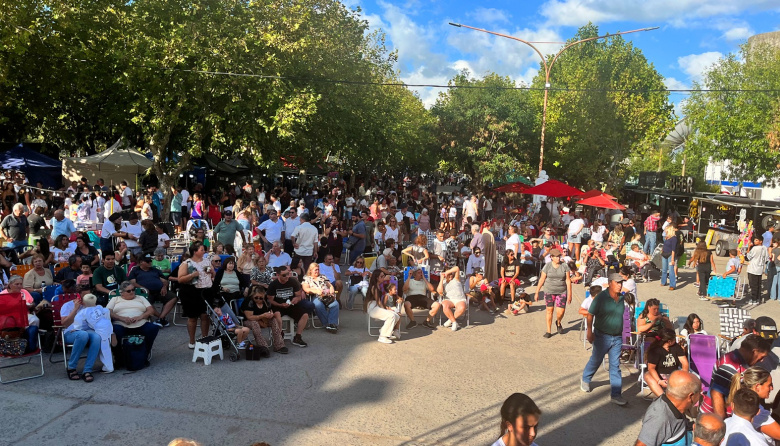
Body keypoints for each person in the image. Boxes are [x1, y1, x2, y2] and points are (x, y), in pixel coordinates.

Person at [581, 273, 629, 406]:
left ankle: (616, 394)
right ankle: (586, 378)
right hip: (602, 336)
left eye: (621, 283)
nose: (620, 285)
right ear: (610, 283)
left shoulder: (621, 298)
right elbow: (590, 314)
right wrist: (589, 332)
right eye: (617, 283)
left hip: (617, 337)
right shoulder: (601, 297)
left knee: (615, 366)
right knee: (596, 360)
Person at [700, 334, 772, 418]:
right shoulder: (730, 364)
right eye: (762, 357)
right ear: (754, 351)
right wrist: (722, 422)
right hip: (712, 418)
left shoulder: (738, 361)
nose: (762, 360)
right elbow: (716, 393)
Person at [635, 370, 701, 446]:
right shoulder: (659, 418)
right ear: (690, 396)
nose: (701, 395)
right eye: (700, 392)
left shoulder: (675, 405)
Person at [107, 281, 159, 369]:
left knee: (152, 328)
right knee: (114, 332)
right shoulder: (115, 299)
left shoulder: (141, 298)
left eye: (133, 290)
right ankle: (119, 359)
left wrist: (140, 317)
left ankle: (143, 356)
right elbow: (108, 312)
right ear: (122, 293)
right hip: (121, 324)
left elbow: (151, 310)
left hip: (140, 323)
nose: (132, 292)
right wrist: (121, 318)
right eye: (128, 291)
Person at [726, 366, 780, 443]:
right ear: (757, 387)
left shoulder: (739, 402)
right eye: (769, 385)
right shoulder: (756, 412)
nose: (772, 388)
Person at [177, 242, 215, 349]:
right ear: (195, 251)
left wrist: (211, 272)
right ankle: (192, 340)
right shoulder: (187, 263)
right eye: (202, 250)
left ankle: (204, 337)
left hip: (206, 290)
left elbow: (213, 274)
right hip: (192, 291)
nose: (204, 252)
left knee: (205, 316)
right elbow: (180, 279)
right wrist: (193, 275)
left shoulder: (207, 261)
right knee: (192, 317)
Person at [60, 294, 102, 382]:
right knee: (82, 334)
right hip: (70, 332)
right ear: (78, 297)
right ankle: (71, 367)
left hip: (87, 330)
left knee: (97, 337)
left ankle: (87, 370)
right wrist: (75, 309)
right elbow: (65, 324)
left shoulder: (91, 305)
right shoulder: (67, 305)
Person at [266, 265, 311, 347]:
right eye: (284, 275)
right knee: (277, 314)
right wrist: (280, 304)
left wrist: (295, 299)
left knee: (305, 315)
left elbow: (298, 296)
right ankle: (279, 336)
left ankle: (298, 337)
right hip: (278, 305)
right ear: (278, 275)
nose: (287, 276)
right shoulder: (273, 285)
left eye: (288, 274)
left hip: (291, 305)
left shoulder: (293, 281)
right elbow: (270, 300)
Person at [73, 293, 115, 374]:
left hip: (100, 329)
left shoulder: (84, 311)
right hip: (108, 325)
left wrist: (76, 329)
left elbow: (78, 320)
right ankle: (108, 365)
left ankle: (108, 367)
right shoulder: (99, 307)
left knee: (103, 348)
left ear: (84, 303)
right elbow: (106, 311)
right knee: (106, 346)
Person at [534, 248, 571, 338]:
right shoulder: (547, 266)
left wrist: (569, 294)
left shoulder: (565, 266)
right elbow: (542, 279)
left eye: (559, 256)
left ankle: (558, 322)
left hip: (562, 291)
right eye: (556, 257)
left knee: (560, 312)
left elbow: (568, 280)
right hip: (549, 291)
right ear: (551, 257)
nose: (558, 258)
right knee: (549, 311)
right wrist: (537, 292)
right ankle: (548, 331)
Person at [240, 285, 287, 355]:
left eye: (261, 298)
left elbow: (270, 310)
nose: (258, 299)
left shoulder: (266, 301)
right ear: (253, 295)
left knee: (274, 320)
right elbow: (249, 317)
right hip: (249, 321)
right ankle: (263, 347)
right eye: (256, 297)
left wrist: (270, 314)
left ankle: (279, 345)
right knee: (254, 323)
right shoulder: (249, 302)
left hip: (263, 320)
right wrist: (262, 316)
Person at [644, 328, 690, 398]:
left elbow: (685, 363)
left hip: (674, 374)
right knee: (647, 375)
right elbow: (651, 368)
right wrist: (659, 381)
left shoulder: (676, 347)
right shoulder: (655, 350)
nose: (676, 340)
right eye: (674, 338)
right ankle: (663, 398)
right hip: (659, 375)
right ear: (669, 341)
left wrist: (683, 374)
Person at [302, 262, 339, 333]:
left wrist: (331, 290)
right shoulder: (307, 278)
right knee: (318, 305)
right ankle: (329, 324)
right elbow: (306, 289)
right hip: (315, 296)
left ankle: (331, 324)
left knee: (335, 304)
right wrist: (316, 291)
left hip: (326, 295)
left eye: (318, 269)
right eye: (315, 270)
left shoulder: (322, 276)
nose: (317, 271)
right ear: (310, 270)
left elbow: (330, 285)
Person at [364, 269, 400, 344]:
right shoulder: (374, 287)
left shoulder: (379, 285)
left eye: (383, 276)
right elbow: (378, 301)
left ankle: (383, 330)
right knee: (391, 316)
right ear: (377, 278)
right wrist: (385, 309)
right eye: (382, 276)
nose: (383, 277)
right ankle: (382, 336)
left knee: (396, 316)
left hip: (377, 306)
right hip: (373, 307)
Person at [437, 265, 468, 332]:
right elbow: (440, 291)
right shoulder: (444, 282)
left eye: (451, 274)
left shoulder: (456, 279)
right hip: (449, 299)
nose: (450, 275)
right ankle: (454, 322)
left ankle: (450, 320)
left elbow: (457, 268)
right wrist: (442, 279)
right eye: (449, 274)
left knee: (462, 308)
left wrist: (448, 272)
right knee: (444, 305)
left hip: (459, 299)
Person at [746, 236, 769, 304]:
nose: (755, 241)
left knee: (753, 284)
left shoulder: (755, 248)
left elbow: (748, 256)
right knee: (758, 284)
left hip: (753, 268)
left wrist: (749, 247)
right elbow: (766, 258)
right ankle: (758, 298)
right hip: (760, 268)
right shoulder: (765, 248)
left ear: (760, 241)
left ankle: (754, 299)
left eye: (756, 240)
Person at [660, 225, 678, 291]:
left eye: (666, 230)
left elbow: (673, 249)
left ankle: (672, 285)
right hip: (664, 253)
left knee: (671, 271)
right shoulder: (667, 237)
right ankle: (663, 281)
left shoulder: (674, 238)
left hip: (670, 254)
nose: (665, 231)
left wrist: (673, 259)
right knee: (664, 269)